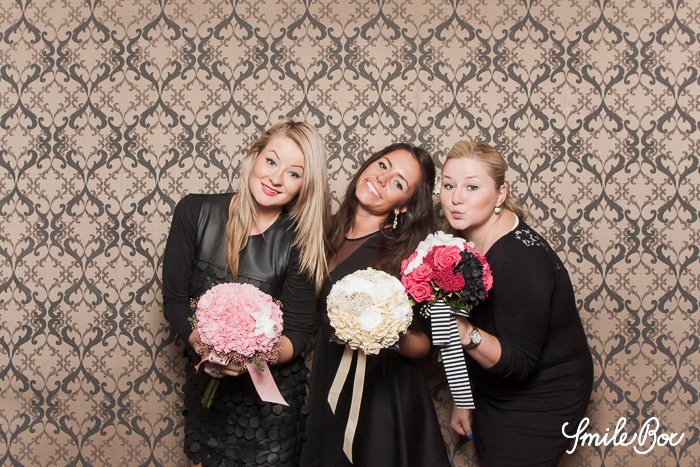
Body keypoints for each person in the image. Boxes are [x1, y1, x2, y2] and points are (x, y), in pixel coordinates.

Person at [162, 119, 330, 466]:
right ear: (254, 156)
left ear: (304, 185)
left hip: (271, 410)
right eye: (271, 161)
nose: (276, 178)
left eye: (294, 173)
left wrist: (249, 358)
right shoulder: (194, 212)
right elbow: (175, 301)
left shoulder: (301, 240)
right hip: (208, 394)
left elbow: (298, 334)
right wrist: (206, 349)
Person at [439, 140, 594, 466]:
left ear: (500, 195)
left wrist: (462, 331)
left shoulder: (520, 258)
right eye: (449, 185)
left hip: (543, 394)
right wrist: (463, 396)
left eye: (472, 187)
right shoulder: (463, 240)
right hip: (494, 383)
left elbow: (521, 362)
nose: (456, 198)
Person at [301, 143, 451, 467]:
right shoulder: (323, 230)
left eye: (398, 183)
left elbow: (425, 344)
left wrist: (383, 330)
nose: (382, 179)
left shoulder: (407, 256)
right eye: (383, 165)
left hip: (380, 396)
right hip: (329, 376)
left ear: (404, 206)